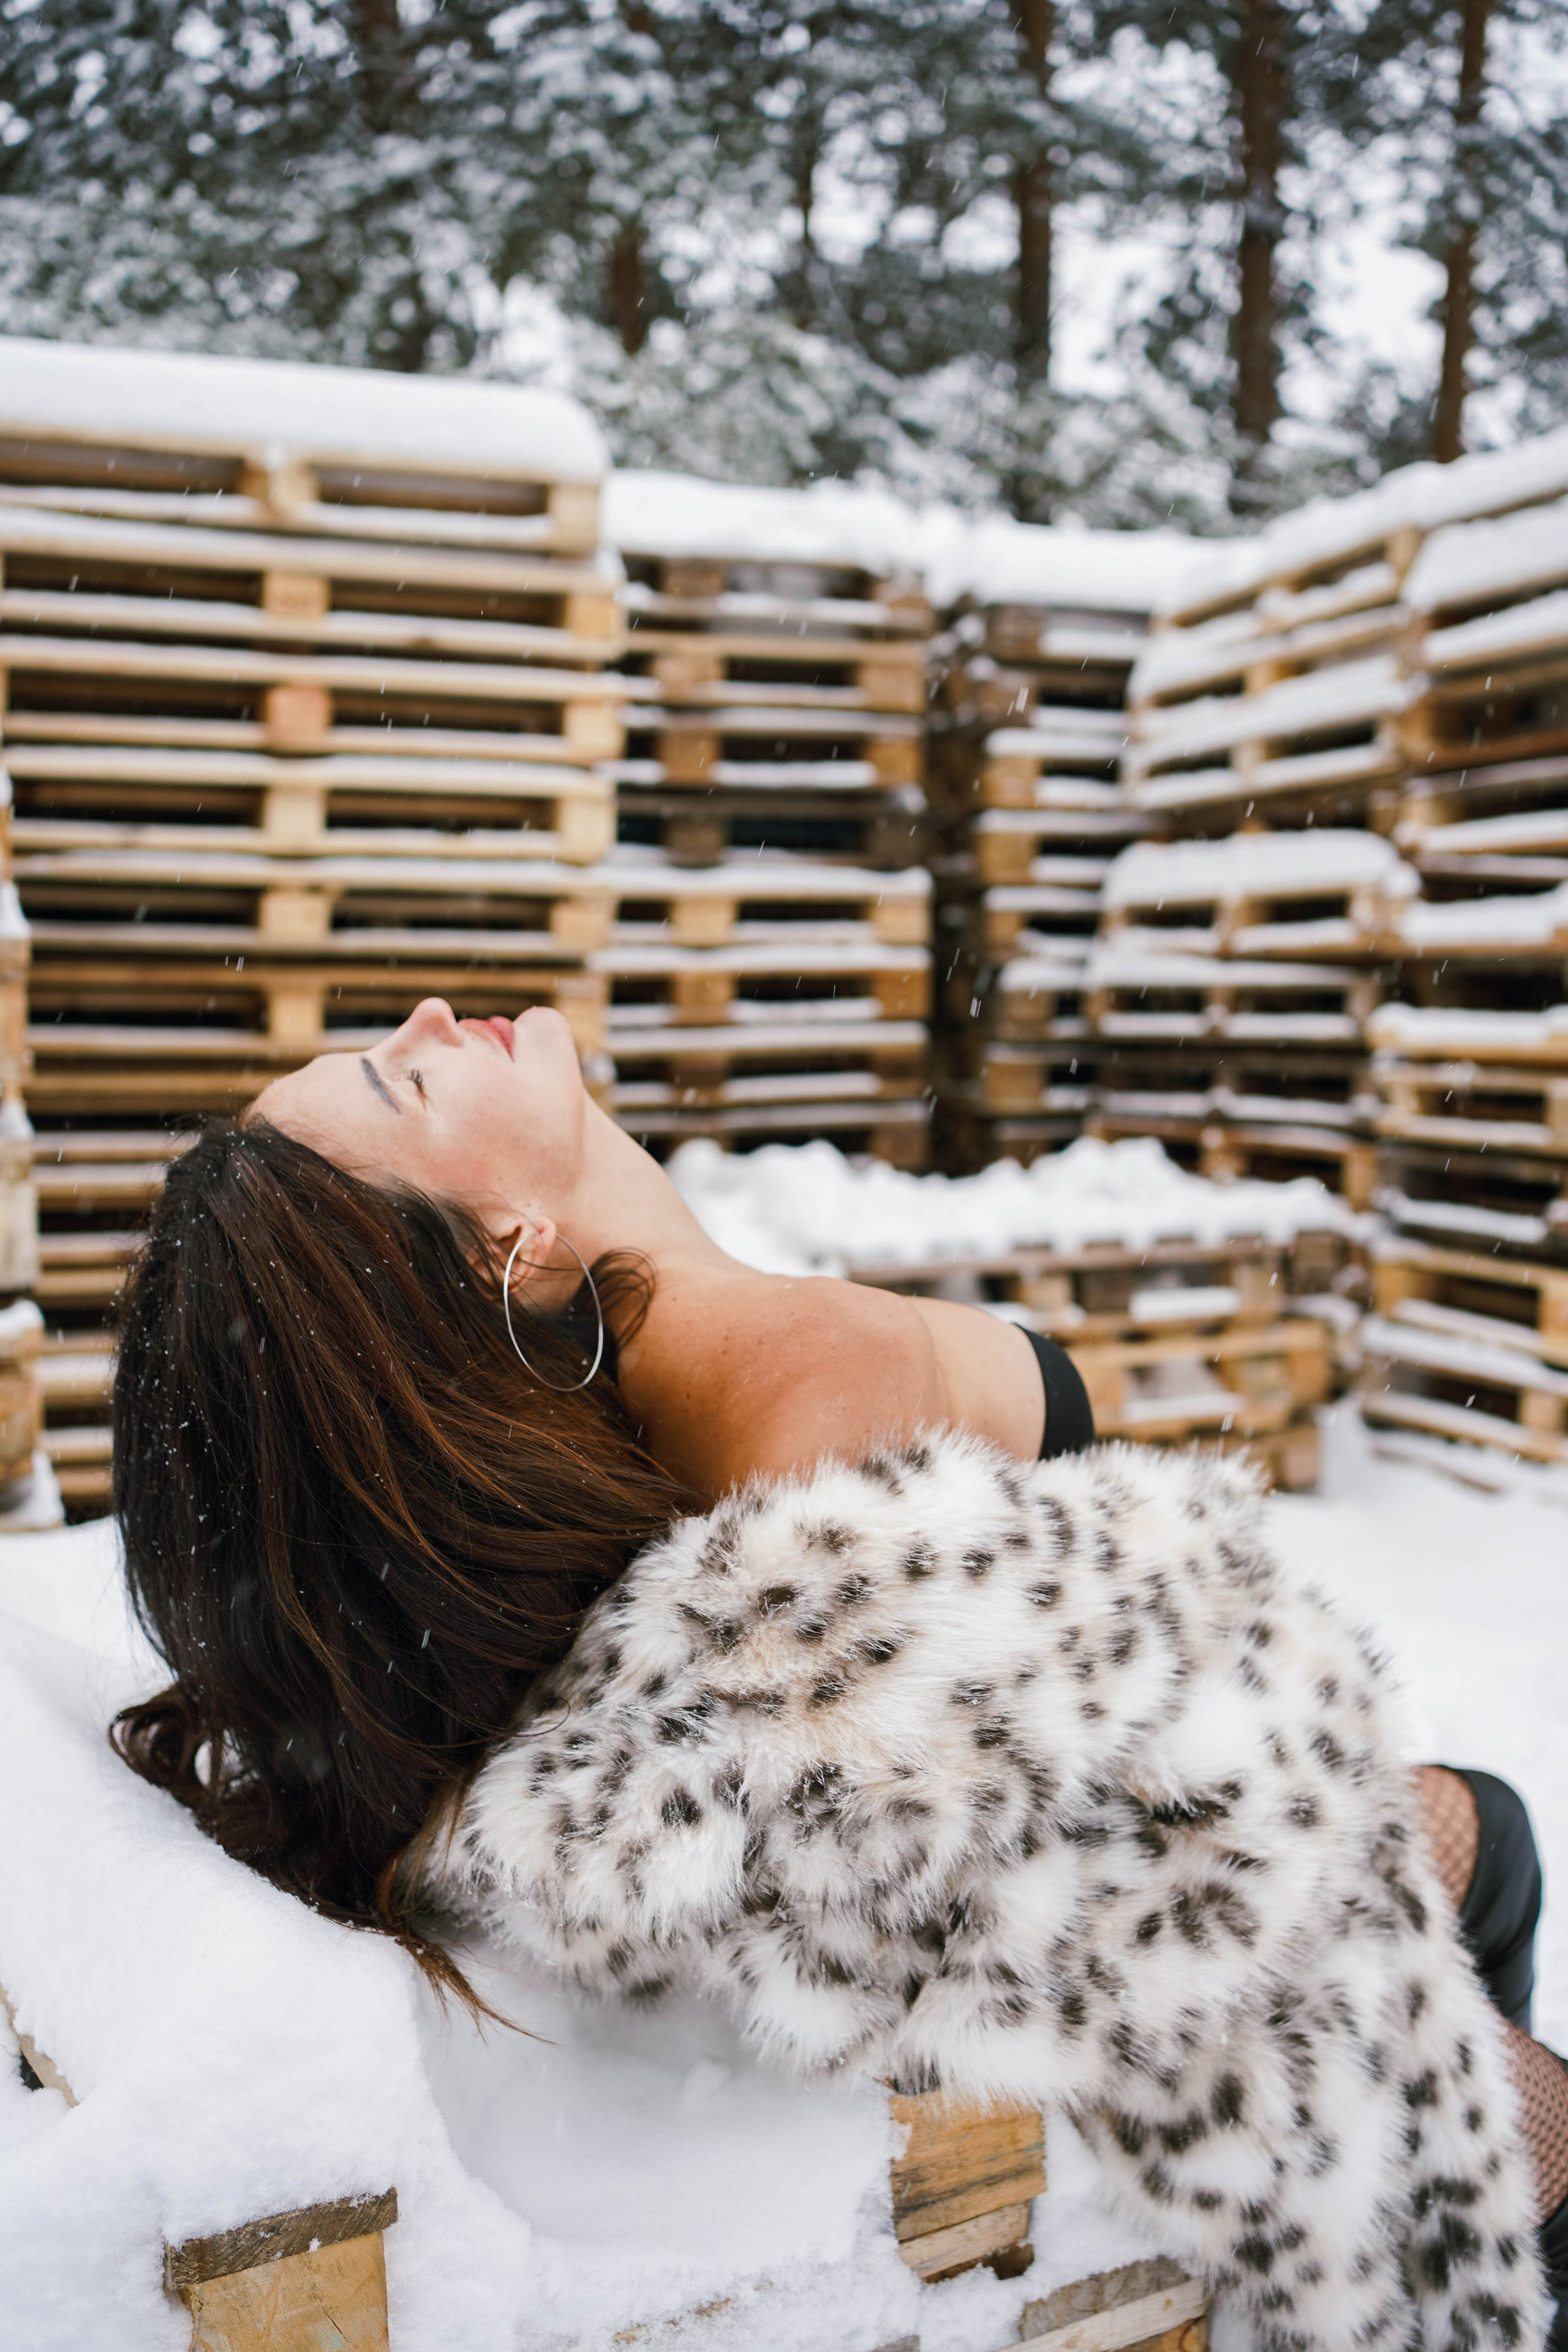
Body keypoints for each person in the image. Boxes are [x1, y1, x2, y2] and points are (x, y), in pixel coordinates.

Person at [108, 998, 1567, 2348]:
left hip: (1093, 1804)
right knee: (1486, 1880)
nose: (431, 1016)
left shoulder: (579, 1362)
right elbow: (948, 1843)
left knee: (1483, 1830)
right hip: (1149, 1921)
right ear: (505, 1249)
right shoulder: (809, 1386)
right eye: (404, 1078)